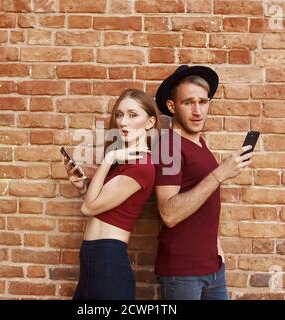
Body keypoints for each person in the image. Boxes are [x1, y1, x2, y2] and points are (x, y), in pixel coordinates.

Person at [153, 65, 255, 300]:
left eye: (203, 101)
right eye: (188, 102)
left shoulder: (201, 144)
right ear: (172, 106)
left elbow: (203, 201)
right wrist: (220, 173)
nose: (198, 111)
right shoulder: (168, 145)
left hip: (213, 268)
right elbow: (168, 213)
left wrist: (215, 246)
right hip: (183, 273)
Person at [62, 89, 161, 300]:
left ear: (150, 122)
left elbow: (88, 208)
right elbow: (99, 205)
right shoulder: (125, 160)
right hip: (93, 256)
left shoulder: (142, 165)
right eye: (119, 114)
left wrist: (109, 159)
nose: (123, 122)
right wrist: (82, 189)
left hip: (108, 259)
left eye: (133, 115)